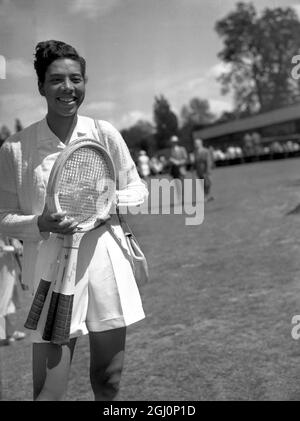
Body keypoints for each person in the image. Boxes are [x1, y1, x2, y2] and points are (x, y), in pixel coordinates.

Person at [0, 40, 148, 401]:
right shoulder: (15, 148)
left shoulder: (103, 132)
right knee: (48, 394)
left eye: (76, 79)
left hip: (105, 266)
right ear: (41, 87)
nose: (68, 88)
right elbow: (2, 217)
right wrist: (41, 224)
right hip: (51, 275)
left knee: (108, 381)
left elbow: (139, 192)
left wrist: (108, 201)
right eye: (56, 80)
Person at [0, 235, 26, 345]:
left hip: (8, 261)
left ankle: (9, 333)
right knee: (4, 299)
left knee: (9, 299)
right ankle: (2, 335)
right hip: (3, 262)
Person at [168, 135, 188, 204]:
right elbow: (170, 159)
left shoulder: (182, 149)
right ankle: (180, 199)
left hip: (181, 169)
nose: (174, 143)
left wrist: (179, 162)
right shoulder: (171, 150)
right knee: (177, 185)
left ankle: (184, 199)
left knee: (182, 185)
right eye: (172, 142)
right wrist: (172, 161)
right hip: (175, 171)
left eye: (175, 142)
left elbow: (185, 158)